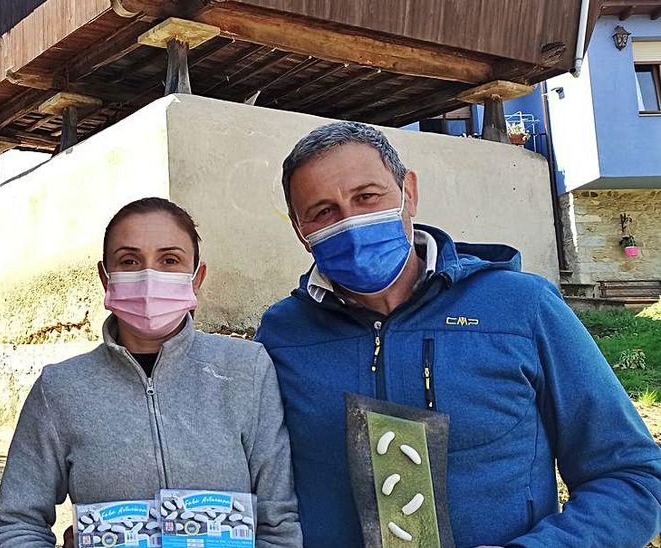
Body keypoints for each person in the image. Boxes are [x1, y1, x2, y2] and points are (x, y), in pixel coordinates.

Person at [256, 121, 661, 547]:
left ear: (408, 192)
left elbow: (631, 475)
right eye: (323, 212)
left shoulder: (520, 308)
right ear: (301, 231)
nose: (351, 222)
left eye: (367, 197)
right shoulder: (282, 335)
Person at [0, 197, 302, 547]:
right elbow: (16, 524)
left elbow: (279, 523)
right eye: (129, 261)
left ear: (196, 277)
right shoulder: (60, 388)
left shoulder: (246, 370)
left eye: (169, 260)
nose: (149, 275)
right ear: (105, 277)